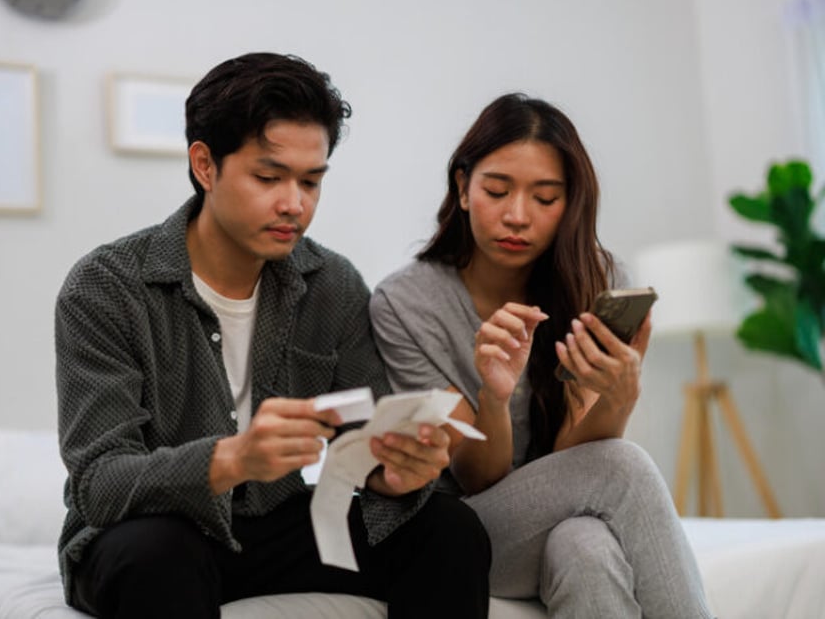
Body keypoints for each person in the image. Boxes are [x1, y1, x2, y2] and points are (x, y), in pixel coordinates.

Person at [54, 52, 490, 619]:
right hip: (149, 531)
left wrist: (395, 472)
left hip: (277, 524)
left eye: (311, 181)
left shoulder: (330, 282)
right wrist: (232, 459)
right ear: (205, 165)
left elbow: (363, 444)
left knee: (448, 527)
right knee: (155, 555)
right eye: (268, 177)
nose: (294, 203)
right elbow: (101, 484)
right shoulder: (106, 286)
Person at [369, 93, 714, 618]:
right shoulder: (406, 303)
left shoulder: (598, 281)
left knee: (584, 547)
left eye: (545, 199)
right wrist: (494, 394)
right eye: (496, 190)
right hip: (462, 530)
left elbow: (578, 456)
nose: (517, 216)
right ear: (462, 188)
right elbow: (475, 478)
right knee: (620, 468)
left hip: (560, 517)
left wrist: (618, 398)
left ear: (570, 204)